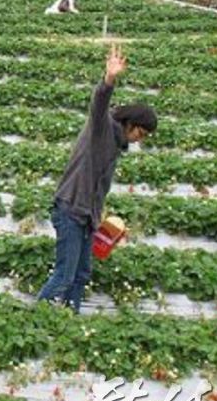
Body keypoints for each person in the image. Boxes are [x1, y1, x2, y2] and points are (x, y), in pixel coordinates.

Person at [36, 44, 156, 312]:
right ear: (131, 124)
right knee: (64, 275)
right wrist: (110, 78)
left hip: (87, 214)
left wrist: (98, 214)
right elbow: (99, 103)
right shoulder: (102, 128)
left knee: (81, 275)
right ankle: (35, 317)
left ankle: (71, 316)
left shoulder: (117, 144)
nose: (140, 139)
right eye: (142, 133)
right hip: (69, 208)